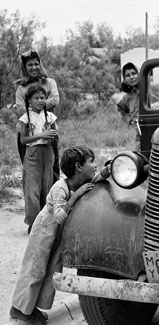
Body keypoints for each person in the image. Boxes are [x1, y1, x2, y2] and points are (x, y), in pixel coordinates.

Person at [10, 146, 97, 324]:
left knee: (50, 272)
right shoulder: (60, 187)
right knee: (34, 271)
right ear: (79, 166)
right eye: (92, 162)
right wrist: (74, 197)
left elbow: (98, 177)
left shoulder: (80, 182)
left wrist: (108, 169)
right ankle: (19, 309)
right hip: (44, 233)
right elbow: (58, 216)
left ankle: (30, 308)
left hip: (57, 236)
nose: (95, 166)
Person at [15, 50, 60, 184]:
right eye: (30, 65)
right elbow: (21, 110)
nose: (34, 67)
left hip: (48, 130)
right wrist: (42, 105)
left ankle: (53, 199)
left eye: (36, 64)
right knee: (30, 168)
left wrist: (34, 106)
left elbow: (55, 100)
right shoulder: (21, 88)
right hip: (28, 132)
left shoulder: (49, 82)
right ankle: (34, 201)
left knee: (53, 165)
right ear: (25, 67)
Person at [17, 85, 58, 233]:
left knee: (46, 188)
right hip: (32, 154)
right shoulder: (25, 118)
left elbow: (55, 134)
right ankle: (33, 223)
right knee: (32, 190)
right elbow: (23, 140)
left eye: (42, 98)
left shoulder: (50, 116)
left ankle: (45, 222)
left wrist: (51, 137)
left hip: (47, 153)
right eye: (36, 98)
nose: (40, 101)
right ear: (29, 100)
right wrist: (41, 135)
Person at [117, 62, 141, 150]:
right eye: (128, 75)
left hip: (158, 134)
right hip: (140, 136)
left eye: (134, 73)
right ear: (125, 79)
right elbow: (121, 111)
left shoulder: (152, 88)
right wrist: (130, 121)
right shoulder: (127, 97)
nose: (131, 77)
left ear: (139, 74)